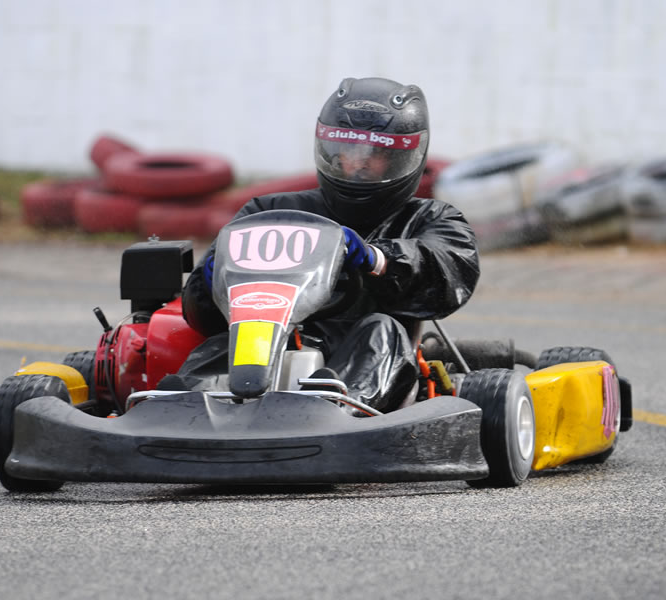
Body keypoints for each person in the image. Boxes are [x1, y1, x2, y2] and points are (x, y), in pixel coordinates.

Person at [171, 76, 480, 411]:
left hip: (371, 359)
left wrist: (377, 259)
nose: (358, 161)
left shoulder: (433, 219)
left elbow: (444, 267)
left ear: (401, 158)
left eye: (374, 152)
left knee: (382, 328)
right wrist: (212, 281)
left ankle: (336, 410)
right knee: (225, 342)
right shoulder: (269, 212)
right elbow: (202, 316)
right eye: (349, 149)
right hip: (271, 344)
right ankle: (183, 410)